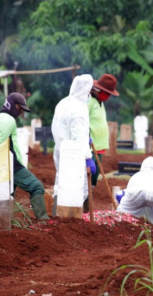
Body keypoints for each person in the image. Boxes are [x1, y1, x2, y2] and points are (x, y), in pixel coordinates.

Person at [0, 93, 49, 220]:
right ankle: (43, 220)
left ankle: (2, 220)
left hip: (4, 163)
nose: (20, 112)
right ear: (11, 104)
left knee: (7, 194)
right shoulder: (9, 120)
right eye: (19, 108)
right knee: (36, 186)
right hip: (10, 164)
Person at [51, 75, 97, 214]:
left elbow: (57, 127)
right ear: (85, 91)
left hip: (60, 149)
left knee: (61, 182)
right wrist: (88, 157)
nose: (89, 95)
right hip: (74, 154)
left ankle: (56, 213)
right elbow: (78, 136)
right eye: (89, 92)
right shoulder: (79, 109)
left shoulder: (63, 103)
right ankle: (74, 218)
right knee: (77, 186)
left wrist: (85, 136)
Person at [88, 74, 119, 189]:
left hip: (100, 146)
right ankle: (85, 200)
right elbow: (83, 120)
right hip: (91, 146)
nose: (108, 96)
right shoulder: (90, 101)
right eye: (107, 93)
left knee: (95, 175)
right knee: (89, 175)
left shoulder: (101, 102)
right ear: (100, 90)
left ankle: (91, 191)